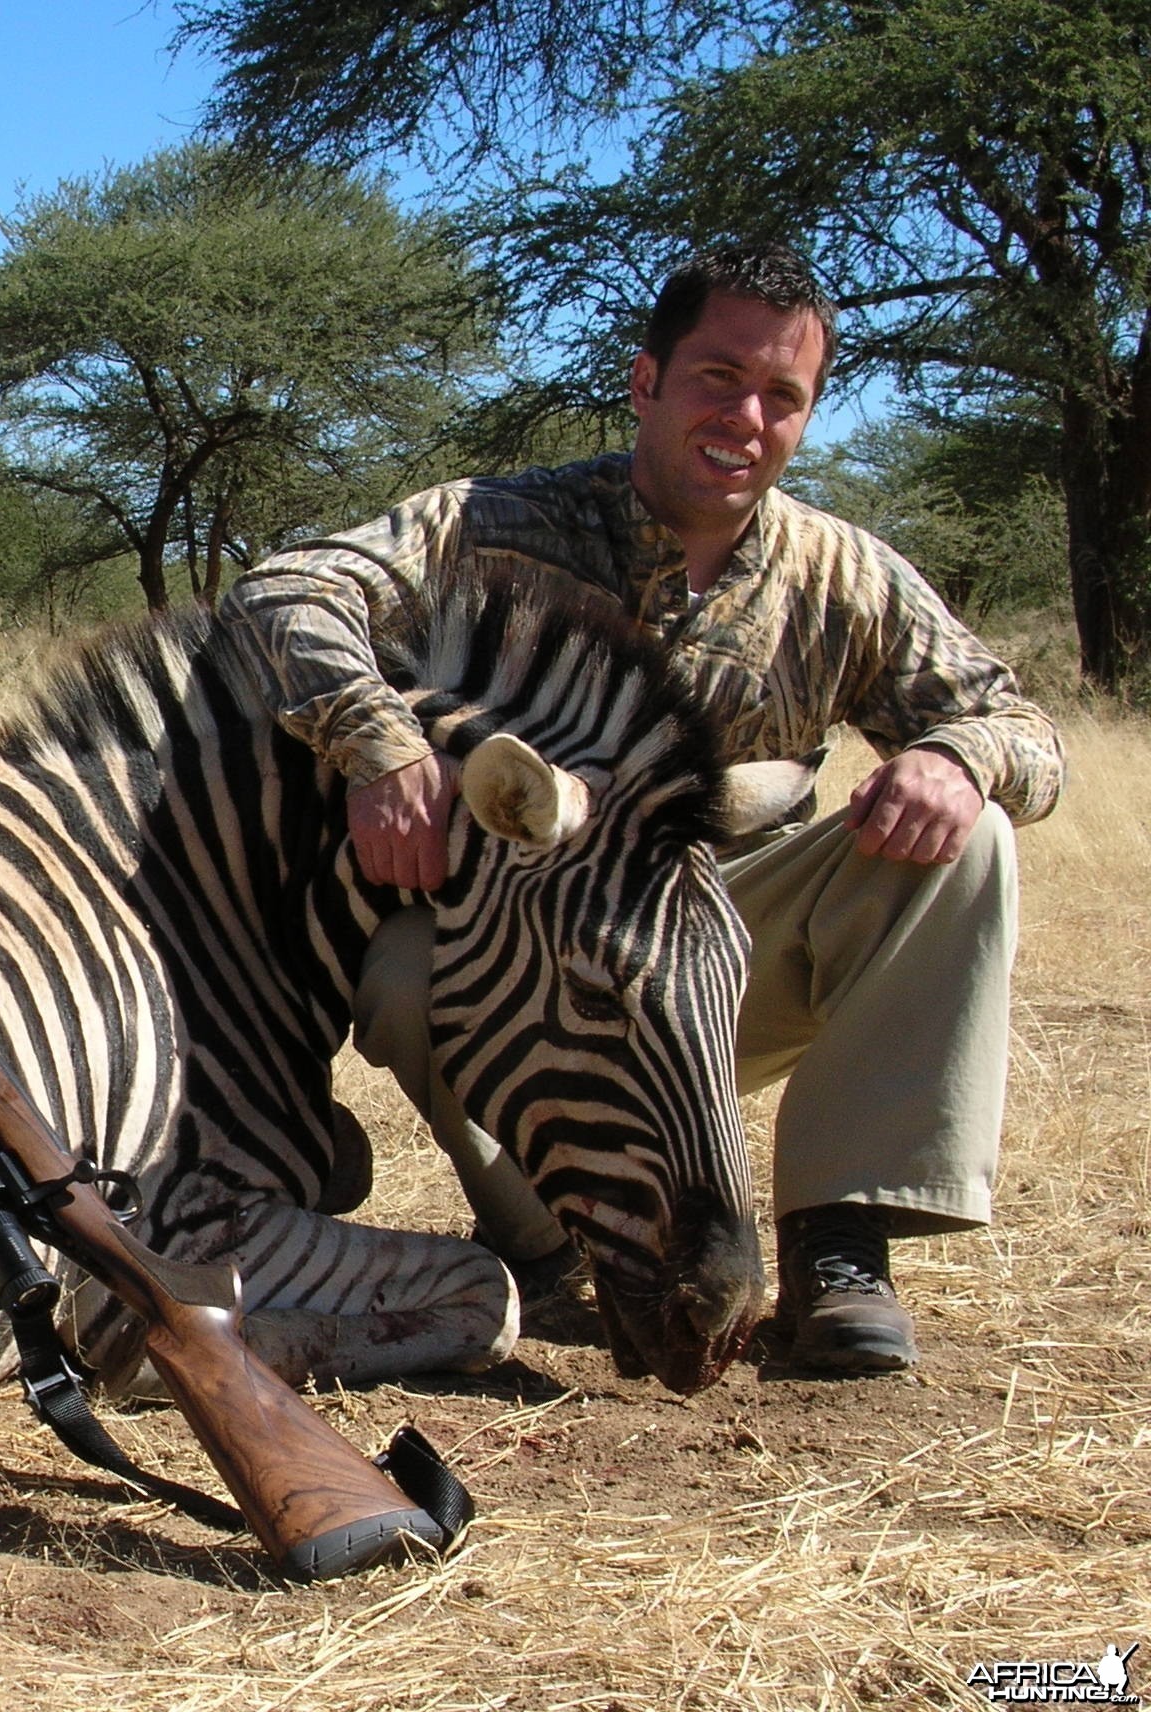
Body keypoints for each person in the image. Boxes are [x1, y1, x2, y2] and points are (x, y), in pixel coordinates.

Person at [220, 242, 1065, 1375]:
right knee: (404, 972)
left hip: (729, 945)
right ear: (644, 382)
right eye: (717, 377)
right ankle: (541, 1235)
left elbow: (1022, 733)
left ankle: (838, 1236)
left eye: (781, 396)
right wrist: (377, 746)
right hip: (543, 955)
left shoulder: (843, 575)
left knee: (974, 841)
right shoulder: (487, 524)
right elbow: (281, 591)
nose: (745, 416)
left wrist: (958, 758)